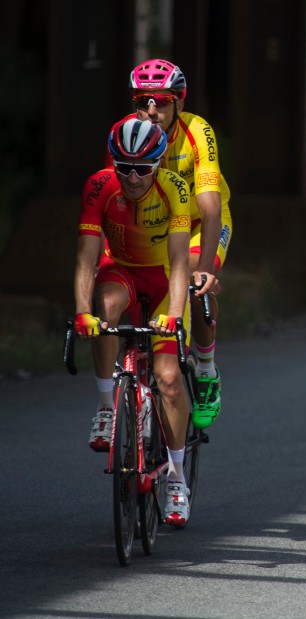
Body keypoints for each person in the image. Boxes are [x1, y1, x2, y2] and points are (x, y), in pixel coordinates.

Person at [77, 118, 194, 526]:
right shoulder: (100, 185)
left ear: (158, 165)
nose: (132, 177)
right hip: (121, 271)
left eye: (142, 168)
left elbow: (181, 261)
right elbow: (87, 258)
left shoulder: (176, 189)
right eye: (124, 166)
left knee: (167, 379)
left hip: (163, 280)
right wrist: (81, 311)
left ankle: (177, 478)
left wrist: (175, 315)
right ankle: (108, 406)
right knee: (103, 309)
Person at [129, 58, 233, 430]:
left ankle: (206, 371)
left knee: (191, 282)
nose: (152, 111)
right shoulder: (127, 134)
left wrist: (205, 267)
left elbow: (210, 205)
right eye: (143, 102)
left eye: (162, 101)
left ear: (180, 103)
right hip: (156, 226)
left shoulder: (197, 132)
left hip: (198, 224)